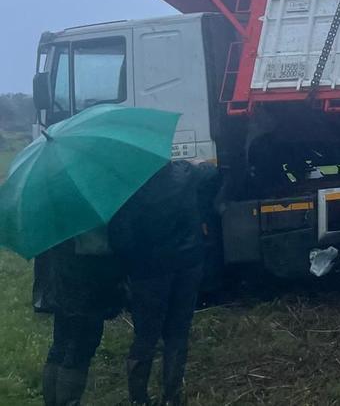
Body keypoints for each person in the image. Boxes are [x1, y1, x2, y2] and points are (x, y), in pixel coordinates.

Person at [109, 159, 219, 406]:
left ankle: (139, 399)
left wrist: (125, 266)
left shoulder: (127, 186)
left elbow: (121, 236)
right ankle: (172, 398)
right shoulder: (185, 172)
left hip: (148, 271)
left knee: (145, 335)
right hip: (188, 263)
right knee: (178, 332)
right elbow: (211, 173)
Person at [34, 228, 124, 406]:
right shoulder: (90, 216)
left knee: (60, 345)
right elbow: (99, 247)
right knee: (80, 349)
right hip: (88, 283)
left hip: (61, 279)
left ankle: (52, 401)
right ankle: (69, 401)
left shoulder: (57, 207)